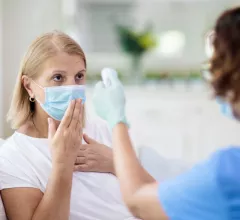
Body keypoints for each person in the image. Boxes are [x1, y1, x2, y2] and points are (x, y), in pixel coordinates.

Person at [92, 7, 240, 220]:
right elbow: (172, 198)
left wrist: (116, 119)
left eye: (216, 67)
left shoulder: (227, 174)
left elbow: (139, 201)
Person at [0, 31, 138, 220]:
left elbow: (156, 198)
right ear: (29, 86)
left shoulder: (103, 129)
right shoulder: (12, 156)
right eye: (58, 78)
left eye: (79, 76)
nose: (72, 87)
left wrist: (115, 163)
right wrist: (62, 164)